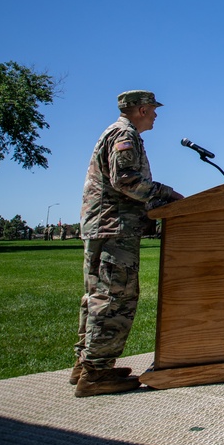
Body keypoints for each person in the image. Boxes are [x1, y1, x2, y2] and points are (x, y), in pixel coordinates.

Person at [73, 90, 183, 397]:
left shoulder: (118, 132)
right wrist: (168, 195)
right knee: (114, 298)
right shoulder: (124, 134)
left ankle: (88, 365)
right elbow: (126, 180)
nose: (157, 116)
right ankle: (96, 375)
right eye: (153, 110)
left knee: (96, 296)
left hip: (105, 227)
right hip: (113, 228)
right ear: (142, 109)